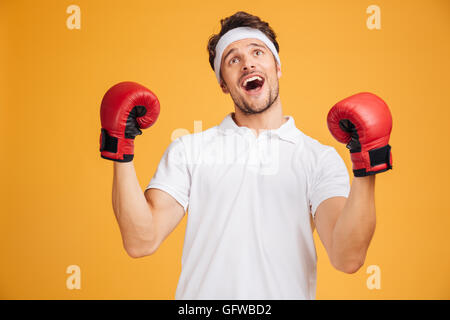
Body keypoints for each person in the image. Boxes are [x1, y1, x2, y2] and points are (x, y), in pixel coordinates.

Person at [99, 11, 393, 300]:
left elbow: (347, 257)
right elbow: (141, 241)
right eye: (233, 59)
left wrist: (366, 166)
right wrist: (119, 148)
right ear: (223, 84)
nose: (248, 64)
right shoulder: (189, 151)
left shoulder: (318, 159)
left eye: (257, 52)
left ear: (277, 67)